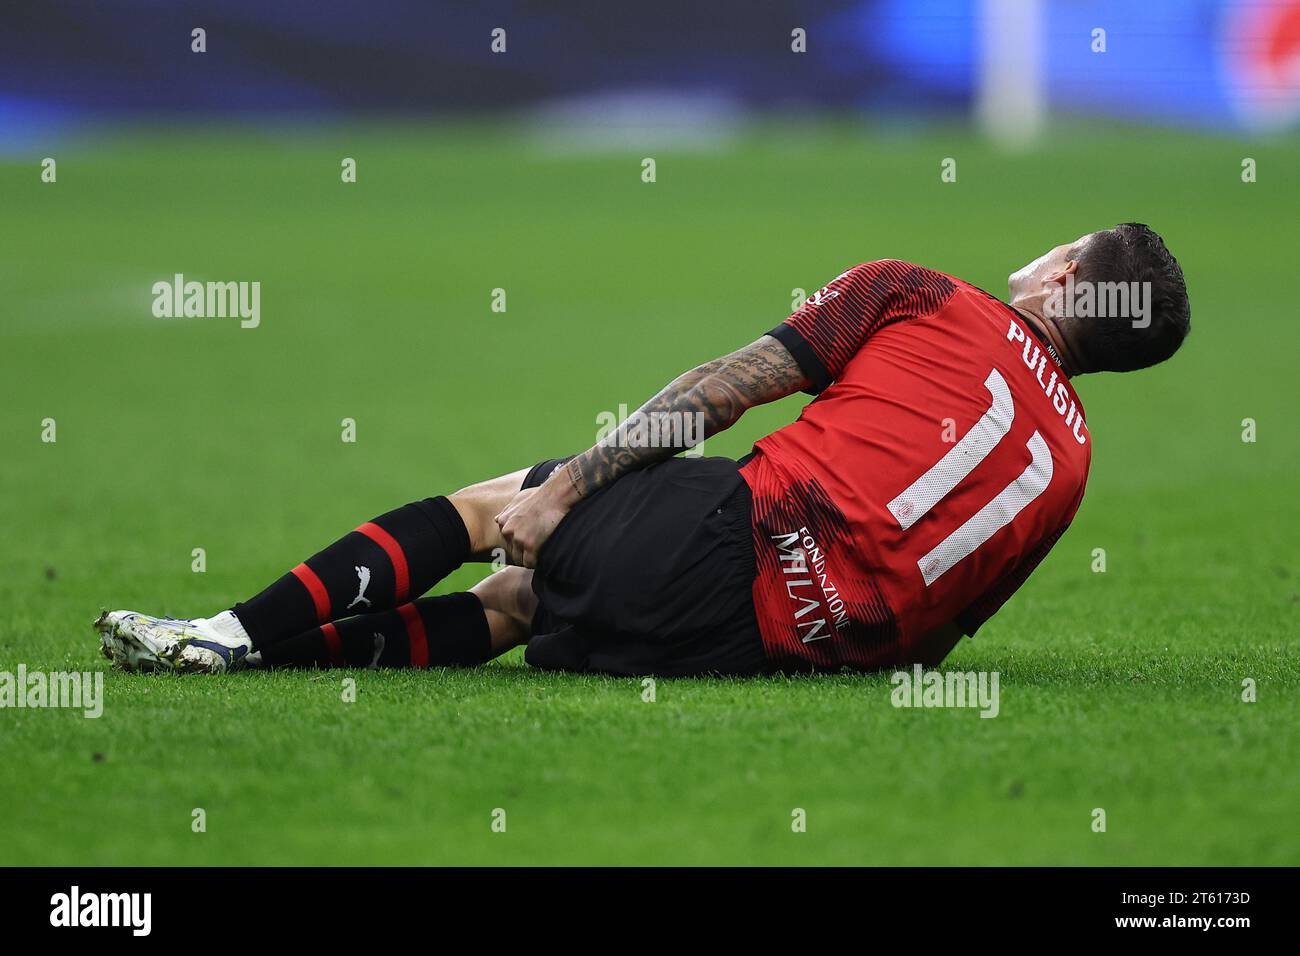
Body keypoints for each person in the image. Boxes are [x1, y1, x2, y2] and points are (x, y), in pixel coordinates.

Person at [96, 223, 1190, 677]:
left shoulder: (918, 294)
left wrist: (568, 483)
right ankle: (254, 664)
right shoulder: (1073, 463)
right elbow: (942, 625)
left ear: (1062, 279)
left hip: (726, 541)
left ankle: (227, 631)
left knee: (498, 513)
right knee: (520, 603)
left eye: (1064, 241)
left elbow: (718, 393)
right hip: (759, 648)